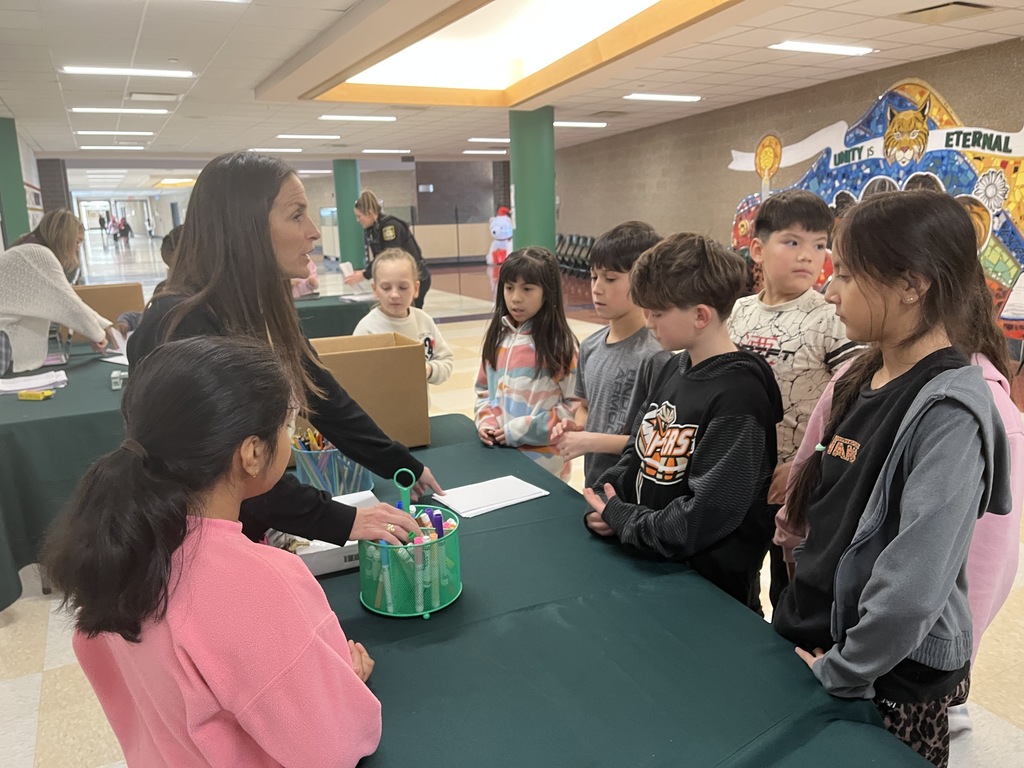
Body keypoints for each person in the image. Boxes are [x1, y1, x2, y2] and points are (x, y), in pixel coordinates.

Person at [42, 336, 382, 766]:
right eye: (288, 425)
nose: (291, 436)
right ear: (253, 453)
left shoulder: (118, 547)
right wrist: (346, 685)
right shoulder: (261, 581)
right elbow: (334, 746)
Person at [771, 190, 1013, 768]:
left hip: (883, 679)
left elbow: (913, 588)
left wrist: (844, 669)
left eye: (849, 275)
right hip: (822, 639)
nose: (830, 290)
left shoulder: (949, 412)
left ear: (912, 284)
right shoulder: (865, 372)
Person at [127, 151, 440, 548]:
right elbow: (232, 473)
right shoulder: (183, 326)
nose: (313, 232)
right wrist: (343, 520)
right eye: (296, 215)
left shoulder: (263, 307)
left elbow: (324, 398)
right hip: (192, 546)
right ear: (246, 227)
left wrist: (401, 464)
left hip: (249, 531)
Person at [582, 233, 783, 610]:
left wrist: (624, 519)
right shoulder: (670, 366)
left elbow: (703, 518)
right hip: (648, 567)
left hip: (709, 595)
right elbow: (635, 453)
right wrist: (608, 497)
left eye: (657, 313)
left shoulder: (739, 397)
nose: (648, 322)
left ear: (701, 316)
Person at [727, 190, 863, 609]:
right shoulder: (737, 312)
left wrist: (810, 460)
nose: (809, 255)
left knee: (790, 593)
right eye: (792, 242)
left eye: (819, 245)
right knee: (734, 585)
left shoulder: (830, 316)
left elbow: (856, 406)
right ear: (757, 250)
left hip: (800, 484)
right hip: (738, 476)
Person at [550, 221, 670, 488]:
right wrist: (576, 428)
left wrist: (590, 441)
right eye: (594, 276)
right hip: (595, 484)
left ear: (643, 279)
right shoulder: (591, 346)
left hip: (636, 493)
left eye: (611, 278)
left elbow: (658, 441)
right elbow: (585, 407)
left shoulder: (657, 355)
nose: (597, 288)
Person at [474, 247, 578, 479]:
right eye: (509, 288)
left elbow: (574, 406)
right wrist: (486, 422)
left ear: (547, 292)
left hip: (545, 465)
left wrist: (521, 430)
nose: (515, 297)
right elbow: (483, 391)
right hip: (500, 456)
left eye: (527, 289)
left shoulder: (560, 344)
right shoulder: (497, 337)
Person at [0, 209, 113, 375]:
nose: (77, 249)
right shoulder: (38, 255)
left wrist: (104, 325)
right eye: (77, 242)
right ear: (65, 238)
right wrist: (98, 335)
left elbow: (68, 298)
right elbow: (70, 305)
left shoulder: (27, 248)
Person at [353, 248, 453, 386]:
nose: (394, 295)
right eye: (386, 288)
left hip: (418, 405)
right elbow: (355, 373)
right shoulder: (367, 328)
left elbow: (445, 360)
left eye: (403, 287)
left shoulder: (423, 321)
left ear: (416, 289)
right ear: (375, 289)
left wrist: (429, 369)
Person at [348, 190, 431, 308]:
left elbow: (389, 256)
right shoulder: (373, 229)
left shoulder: (389, 227)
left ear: (370, 212)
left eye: (359, 216)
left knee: (409, 315)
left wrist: (365, 274)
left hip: (415, 277)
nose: (358, 220)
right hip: (402, 278)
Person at [114, 224, 183, 335]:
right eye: (169, 269)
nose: (172, 276)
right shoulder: (164, 289)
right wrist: (128, 320)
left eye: (178, 270)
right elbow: (150, 318)